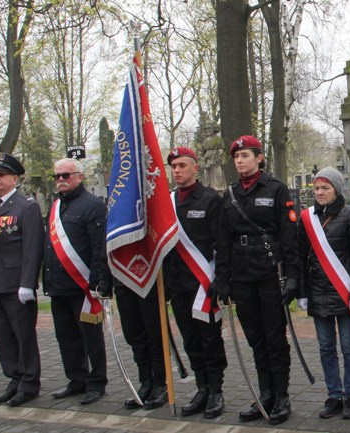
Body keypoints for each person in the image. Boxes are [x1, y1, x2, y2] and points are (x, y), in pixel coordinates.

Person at [214, 135, 300, 425]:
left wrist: (292, 277)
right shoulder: (230, 194)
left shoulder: (275, 188)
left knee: (275, 337)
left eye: (246, 155)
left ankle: (282, 395)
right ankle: (265, 394)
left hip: (269, 272)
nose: (240, 161)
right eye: (236, 157)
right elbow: (223, 240)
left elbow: (289, 237)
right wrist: (222, 279)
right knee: (255, 338)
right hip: (241, 274)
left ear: (259, 158)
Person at [297, 167, 350, 420]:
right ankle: (333, 394)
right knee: (326, 347)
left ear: (336, 189)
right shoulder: (307, 218)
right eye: (316, 188)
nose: (320, 192)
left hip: (344, 290)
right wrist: (302, 292)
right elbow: (301, 256)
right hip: (317, 291)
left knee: (349, 346)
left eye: (325, 188)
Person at [163, 147, 227, 418]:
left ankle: (216, 390)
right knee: (190, 339)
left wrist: (221, 279)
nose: (177, 171)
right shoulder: (167, 203)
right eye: (173, 166)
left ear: (195, 168)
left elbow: (222, 244)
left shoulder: (211, 200)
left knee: (209, 339)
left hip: (204, 284)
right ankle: (201, 388)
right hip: (178, 284)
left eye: (182, 165)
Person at [43, 158, 107, 405]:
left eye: (66, 175)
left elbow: (97, 248)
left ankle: (97, 382)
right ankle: (76, 379)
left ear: (80, 176)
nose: (61, 179)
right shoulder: (55, 206)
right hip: (58, 286)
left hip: (82, 288)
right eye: (57, 176)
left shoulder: (93, 206)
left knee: (91, 337)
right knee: (66, 337)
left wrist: (95, 282)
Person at [0, 153, 43, 407]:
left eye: (1, 174)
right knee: (2, 336)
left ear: (14, 178)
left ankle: (29, 382)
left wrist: (28, 283)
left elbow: (32, 248)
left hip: (15, 284)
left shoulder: (27, 207)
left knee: (22, 335)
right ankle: (14, 378)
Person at [97, 247, 167, 410]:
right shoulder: (112, 219)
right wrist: (105, 281)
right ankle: (146, 382)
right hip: (123, 279)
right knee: (134, 335)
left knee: (155, 335)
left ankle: (160, 384)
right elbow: (107, 247)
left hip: (150, 278)